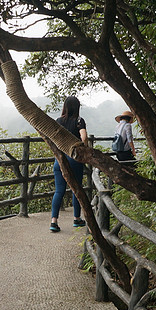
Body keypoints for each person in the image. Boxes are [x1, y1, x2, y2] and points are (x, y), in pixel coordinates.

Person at [50, 96, 88, 232]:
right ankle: (77, 219)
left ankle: (54, 221)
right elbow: (83, 137)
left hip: (59, 160)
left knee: (59, 190)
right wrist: (84, 148)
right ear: (77, 107)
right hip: (74, 160)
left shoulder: (58, 121)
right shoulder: (79, 120)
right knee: (76, 188)